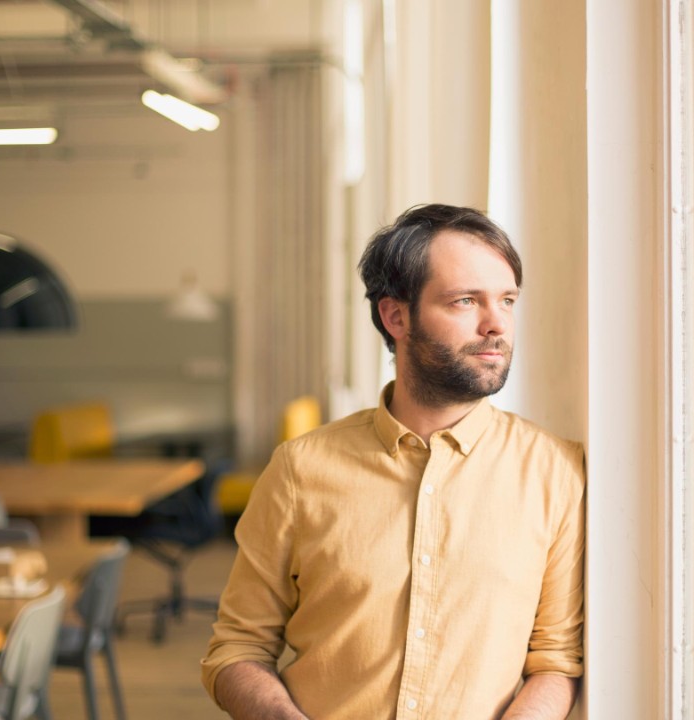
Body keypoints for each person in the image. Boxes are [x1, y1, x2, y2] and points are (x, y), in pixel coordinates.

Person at [201, 204, 586, 719]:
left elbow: (557, 662)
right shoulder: (300, 469)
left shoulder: (556, 472)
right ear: (396, 316)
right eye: (466, 301)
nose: (496, 324)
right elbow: (237, 648)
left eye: (508, 300)